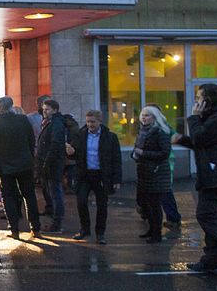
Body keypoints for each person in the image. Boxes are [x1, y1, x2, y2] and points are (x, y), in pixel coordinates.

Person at [173, 84, 217, 275]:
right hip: (213, 172)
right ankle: (210, 260)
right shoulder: (215, 117)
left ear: (208, 100)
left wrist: (194, 118)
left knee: (206, 216)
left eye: (198, 97)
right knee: (211, 216)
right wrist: (181, 139)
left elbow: (200, 137)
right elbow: (202, 142)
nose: (196, 101)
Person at [0, 96, 41, 240]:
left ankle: (14, 229)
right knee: (29, 195)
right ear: (11, 106)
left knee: (9, 197)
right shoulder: (23, 120)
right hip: (25, 164)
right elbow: (31, 140)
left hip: (5, 167)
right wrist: (29, 156)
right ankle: (35, 228)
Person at [71, 110, 122, 245]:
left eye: (93, 122)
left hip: (101, 175)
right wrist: (70, 152)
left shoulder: (110, 137)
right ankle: (84, 229)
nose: (90, 125)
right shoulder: (80, 135)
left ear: (100, 121)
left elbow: (116, 159)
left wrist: (117, 179)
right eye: (88, 122)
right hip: (85, 174)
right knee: (81, 202)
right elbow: (75, 155)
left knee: (102, 205)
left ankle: (100, 233)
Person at [133, 106, 172, 244]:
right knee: (144, 202)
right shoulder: (142, 131)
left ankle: (156, 233)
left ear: (155, 117)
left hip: (156, 173)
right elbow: (137, 148)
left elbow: (164, 153)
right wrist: (136, 154)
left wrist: (143, 154)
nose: (144, 118)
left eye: (147, 115)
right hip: (144, 172)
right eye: (143, 115)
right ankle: (151, 229)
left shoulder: (160, 132)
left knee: (154, 204)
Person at [145, 104, 183, 230]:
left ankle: (173, 218)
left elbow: (175, 137)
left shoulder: (162, 127)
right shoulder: (150, 127)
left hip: (163, 164)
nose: (144, 116)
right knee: (160, 190)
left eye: (148, 114)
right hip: (156, 163)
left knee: (165, 190)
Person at [37, 99, 66, 233]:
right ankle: (55, 220)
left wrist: (46, 162)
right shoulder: (50, 123)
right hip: (50, 163)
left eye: (47, 109)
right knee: (53, 192)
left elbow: (55, 144)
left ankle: (57, 222)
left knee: (55, 193)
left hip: (52, 164)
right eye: (44, 109)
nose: (44, 112)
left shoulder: (56, 123)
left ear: (55, 110)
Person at [27, 94, 51, 213]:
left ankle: (51, 207)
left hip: (49, 152)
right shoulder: (31, 118)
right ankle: (49, 206)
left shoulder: (56, 119)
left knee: (50, 182)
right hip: (37, 152)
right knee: (43, 181)